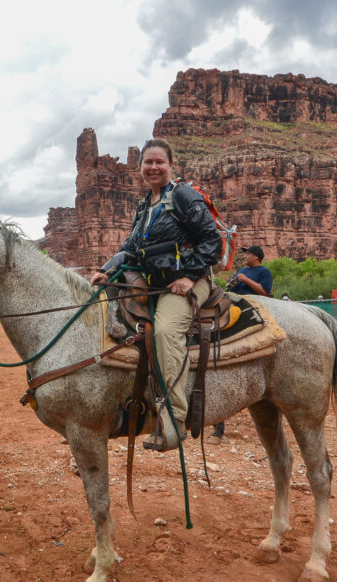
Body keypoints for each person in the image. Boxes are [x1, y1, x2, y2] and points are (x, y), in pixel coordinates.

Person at [90, 139, 222, 451]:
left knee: (164, 330)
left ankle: (174, 418)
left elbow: (211, 241)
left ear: (170, 165)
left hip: (190, 282)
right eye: (148, 162)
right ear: (140, 168)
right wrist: (107, 270)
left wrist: (189, 277)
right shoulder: (145, 206)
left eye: (159, 162)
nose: (153, 167)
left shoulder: (184, 196)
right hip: (156, 284)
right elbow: (130, 249)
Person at [209, 245, 273, 444]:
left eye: (248, 253)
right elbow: (231, 289)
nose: (244, 256)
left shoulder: (263, 272)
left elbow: (266, 292)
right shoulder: (242, 271)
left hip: (253, 307)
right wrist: (233, 283)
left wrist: (246, 281)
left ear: (256, 256)